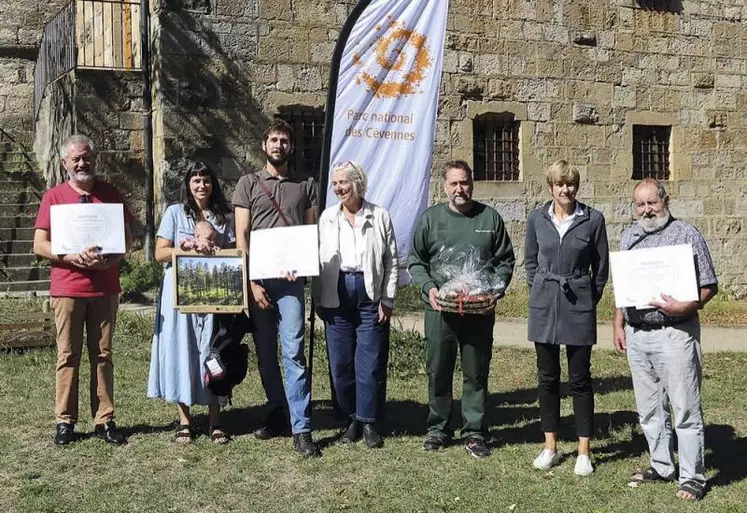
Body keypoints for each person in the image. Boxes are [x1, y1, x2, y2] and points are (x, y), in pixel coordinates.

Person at [613, 178, 717, 501]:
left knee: (685, 409)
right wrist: (619, 324)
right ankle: (661, 465)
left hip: (676, 333)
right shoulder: (629, 237)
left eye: (651, 203)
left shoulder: (687, 234)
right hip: (638, 335)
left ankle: (692, 477)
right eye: (640, 204)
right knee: (649, 409)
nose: (646, 210)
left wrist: (684, 305)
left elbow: (710, 285)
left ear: (665, 201)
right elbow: (622, 288)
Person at [408, 160, 515, 458]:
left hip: (478, 310)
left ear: (472, 184)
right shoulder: (431, 219)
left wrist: (495, 289)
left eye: (464, 182)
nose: (460, 189)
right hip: (440, 309)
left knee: (476, 370)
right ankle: (438, 428)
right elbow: (416, 260)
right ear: (444, 186)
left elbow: (505, 260)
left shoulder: (489, 218)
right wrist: (429, 287)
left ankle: (474, 431)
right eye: (454, 183)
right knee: (438, 368)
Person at [33, 134, 133, 446]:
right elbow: (39, 244)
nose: (81, 163)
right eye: (75, 158)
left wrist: (110, 261)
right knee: (67, 355)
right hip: (67, 288)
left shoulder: (111, 194)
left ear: (94, 159)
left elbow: (126, 241)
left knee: (103, 355)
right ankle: (65, 421)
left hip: (104, 287)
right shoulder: (54, 197)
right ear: (65, 163)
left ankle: (104, 419)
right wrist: (70, 256)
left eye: (86, 157)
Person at [232, 119, 320, 457]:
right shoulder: (248, 184)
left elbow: (309, 231)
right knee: (266, 354)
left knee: (293, 351)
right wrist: (251, 280)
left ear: (291, 147)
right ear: (264, 144)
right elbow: (242, 236)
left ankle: (302, 428)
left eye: (284, 140)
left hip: (292, 281)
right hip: (259, 281)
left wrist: (303, 264)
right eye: (273, 140)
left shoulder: (305, 184)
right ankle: (278, 411)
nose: (279, 145)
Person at [524, 160, 609, 476]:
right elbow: (530, 263)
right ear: (550, 187)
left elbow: (601, 270)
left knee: (579, 379)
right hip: (544, 304)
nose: (565, 189)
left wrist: (586, 297)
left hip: (578, 305)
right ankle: (550, 445)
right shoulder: (537, 218)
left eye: (570, 184)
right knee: (547, 377)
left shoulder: (593, 220)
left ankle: (584, 451)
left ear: (576, 187)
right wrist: (543, 292)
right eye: (559, 184)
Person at [147, 161, 235, 444]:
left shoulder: (223, 216)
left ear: (213, 184)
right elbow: (159, 254)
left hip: (213, 293)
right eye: (196, 180)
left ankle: (215, 419)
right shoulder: (175, 213)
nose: (201, 185)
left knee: (213, 352)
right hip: (179, 294)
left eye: (206, 179)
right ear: (188, 184)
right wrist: (183, 247)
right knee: (181, 350)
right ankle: (185, 420)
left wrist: (217, 248)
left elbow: (234, 253)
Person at [313, 161, 398, 449]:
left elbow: (391, 261)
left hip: (369, 293)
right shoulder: (326, 218)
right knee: (340, 362)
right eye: (335, 183)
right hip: (335, 294)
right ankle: (349, 418)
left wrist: (387, 299)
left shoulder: (380, 215)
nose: (337, 188)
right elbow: (317, 260)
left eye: (343, 183)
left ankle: (368, 421)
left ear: (357, 183)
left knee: (370, 362)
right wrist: (317, 297)